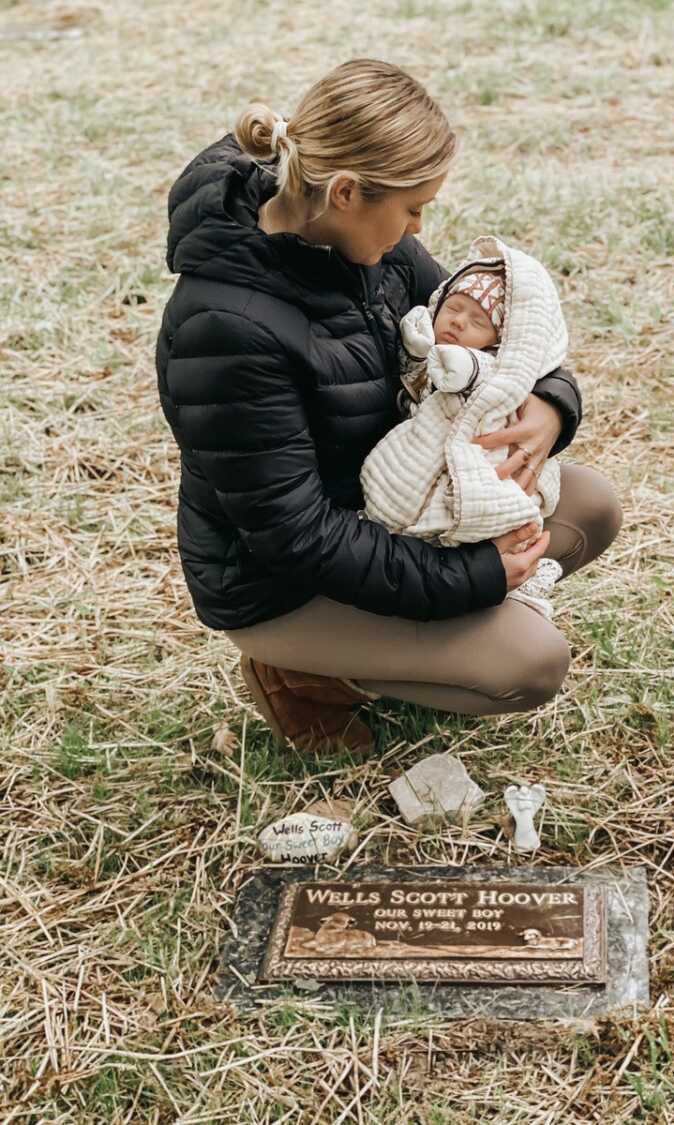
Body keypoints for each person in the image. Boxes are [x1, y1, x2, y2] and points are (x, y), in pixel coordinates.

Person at [156, 58, 622, 755]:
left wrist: (553, 404)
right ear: (345, 191)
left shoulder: (369, 243)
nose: (418, 228)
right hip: (282, 581)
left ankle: (392, 643)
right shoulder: (224, 330)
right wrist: (472, 576)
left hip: (396, 503)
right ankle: (298, 668)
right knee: (529, 664)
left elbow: (504, 337)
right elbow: (296, 536)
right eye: (412, 208)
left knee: (590, 504)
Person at [360, 237, 571, 618]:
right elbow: (415, 375)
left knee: (496, 508)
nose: (458, 322)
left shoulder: (482, 364)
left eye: (478, 321)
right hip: (408, 470)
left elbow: (489, 368)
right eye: (453, 309)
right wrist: (416, 343)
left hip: (476, 449)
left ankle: (521, 570)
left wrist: (557, 404)